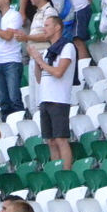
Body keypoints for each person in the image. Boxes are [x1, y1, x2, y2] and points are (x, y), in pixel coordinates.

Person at [27, 15, 76, 171]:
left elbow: (59, 72)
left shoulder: (67, 47)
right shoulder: (49, 50)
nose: (44, 28)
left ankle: (66, 171)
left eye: (47, 25)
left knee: (61, 139)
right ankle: (56, 171)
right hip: (45, 98)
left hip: (59, 99)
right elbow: (39, 77)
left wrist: (40, 61)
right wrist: (36, 60)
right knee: (51, 141)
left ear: (57, 27)